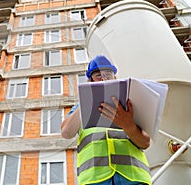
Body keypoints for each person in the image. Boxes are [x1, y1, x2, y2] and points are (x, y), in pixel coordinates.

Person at [61, 55, 152, 185]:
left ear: (115, 78)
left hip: (134, 178)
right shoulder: (79, 107)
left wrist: (129, 126)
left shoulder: (130, 103)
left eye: (108, 74)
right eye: (98, 75)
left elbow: (145, 142)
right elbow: (66, 132)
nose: (103, 78)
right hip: (94, 179)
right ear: (90, 81)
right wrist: (87, 99)